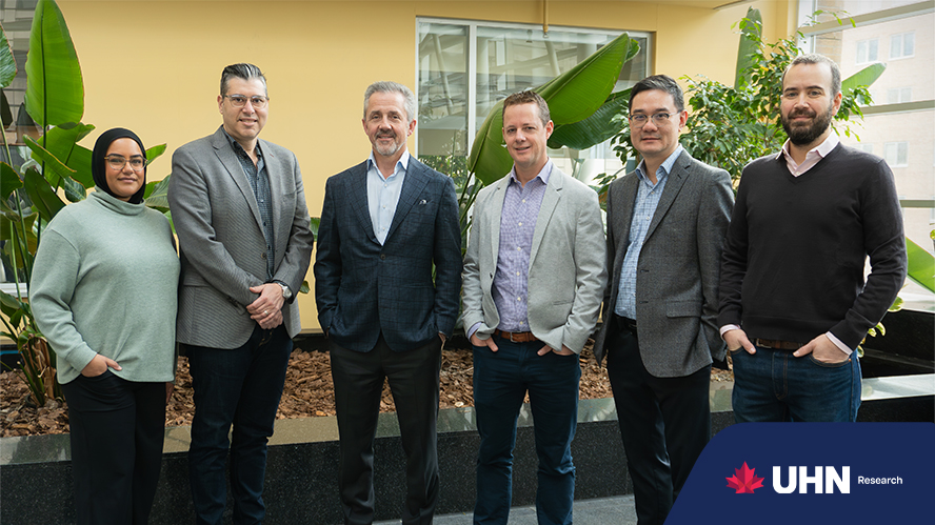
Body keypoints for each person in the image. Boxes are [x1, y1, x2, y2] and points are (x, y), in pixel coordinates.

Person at [718, 54, 907, 423]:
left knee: (820, 464)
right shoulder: (755, 175)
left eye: (813, 92)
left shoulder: (868, 172)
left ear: (835, 101)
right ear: (781, 102)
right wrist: (728, 325)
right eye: (791, 93)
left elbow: (891, 266)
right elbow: (734, 256)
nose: (800, 102)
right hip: (753, 361)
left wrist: (842, 340)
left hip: (826, 368)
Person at [168, 63, 314, 524]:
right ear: (221, 103)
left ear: (267, 105)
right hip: (218, 323)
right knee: (212, 435)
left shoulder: (285, 160)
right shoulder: (192, 159)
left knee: (256, 434)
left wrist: (282, 290)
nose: (249, 109)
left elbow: (301, 234)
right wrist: (257, 297)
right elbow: (200, 243)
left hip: (277, 324)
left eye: (257, 100)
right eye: (239, 99)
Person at [314, 80, 462, 525]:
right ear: (364, 124)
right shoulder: (340, 186)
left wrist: (440, 326)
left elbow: (449, 263)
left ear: (410, 125)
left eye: (394, 116)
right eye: (376, 116)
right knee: (353, 447)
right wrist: (329, 318)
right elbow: (327, 261)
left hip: (415, 340)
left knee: (421, 447)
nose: (385, 124)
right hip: (352, 339)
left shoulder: (437, 186)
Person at [591, 75, 734, 525]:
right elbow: (617, 262)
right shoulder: (621, 190)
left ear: (681, 119)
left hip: (681, 347)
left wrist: (707, 344)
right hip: (625, 344)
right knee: (643, 463)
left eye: (659, 115)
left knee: (690, 466)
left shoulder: (708, 183)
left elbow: (721, 273)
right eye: (639, 116)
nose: (648, 125)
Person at [461, 90, 606, 525]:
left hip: (553, 353)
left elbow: (593, 276)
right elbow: (473, 267)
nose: (519, 136)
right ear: (504, 137)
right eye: (511, 129)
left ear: (547, 130)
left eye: (528, 127)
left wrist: (571, 339)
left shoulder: (579, 197)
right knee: (492, 455)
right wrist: (473, 324)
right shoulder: (488, 198)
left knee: (556, 459)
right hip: (496, 350)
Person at [30, 128, 179, 525]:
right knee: (106, 488)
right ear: (100, 165)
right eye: (117, 160)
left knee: (143, 481)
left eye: (136, 161)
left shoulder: (157, 223)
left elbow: (165, 300)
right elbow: (46, 298)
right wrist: (84, 358)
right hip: (101, 377)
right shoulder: (73, 222)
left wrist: (168, 367)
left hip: (152, 378)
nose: (128, 168)